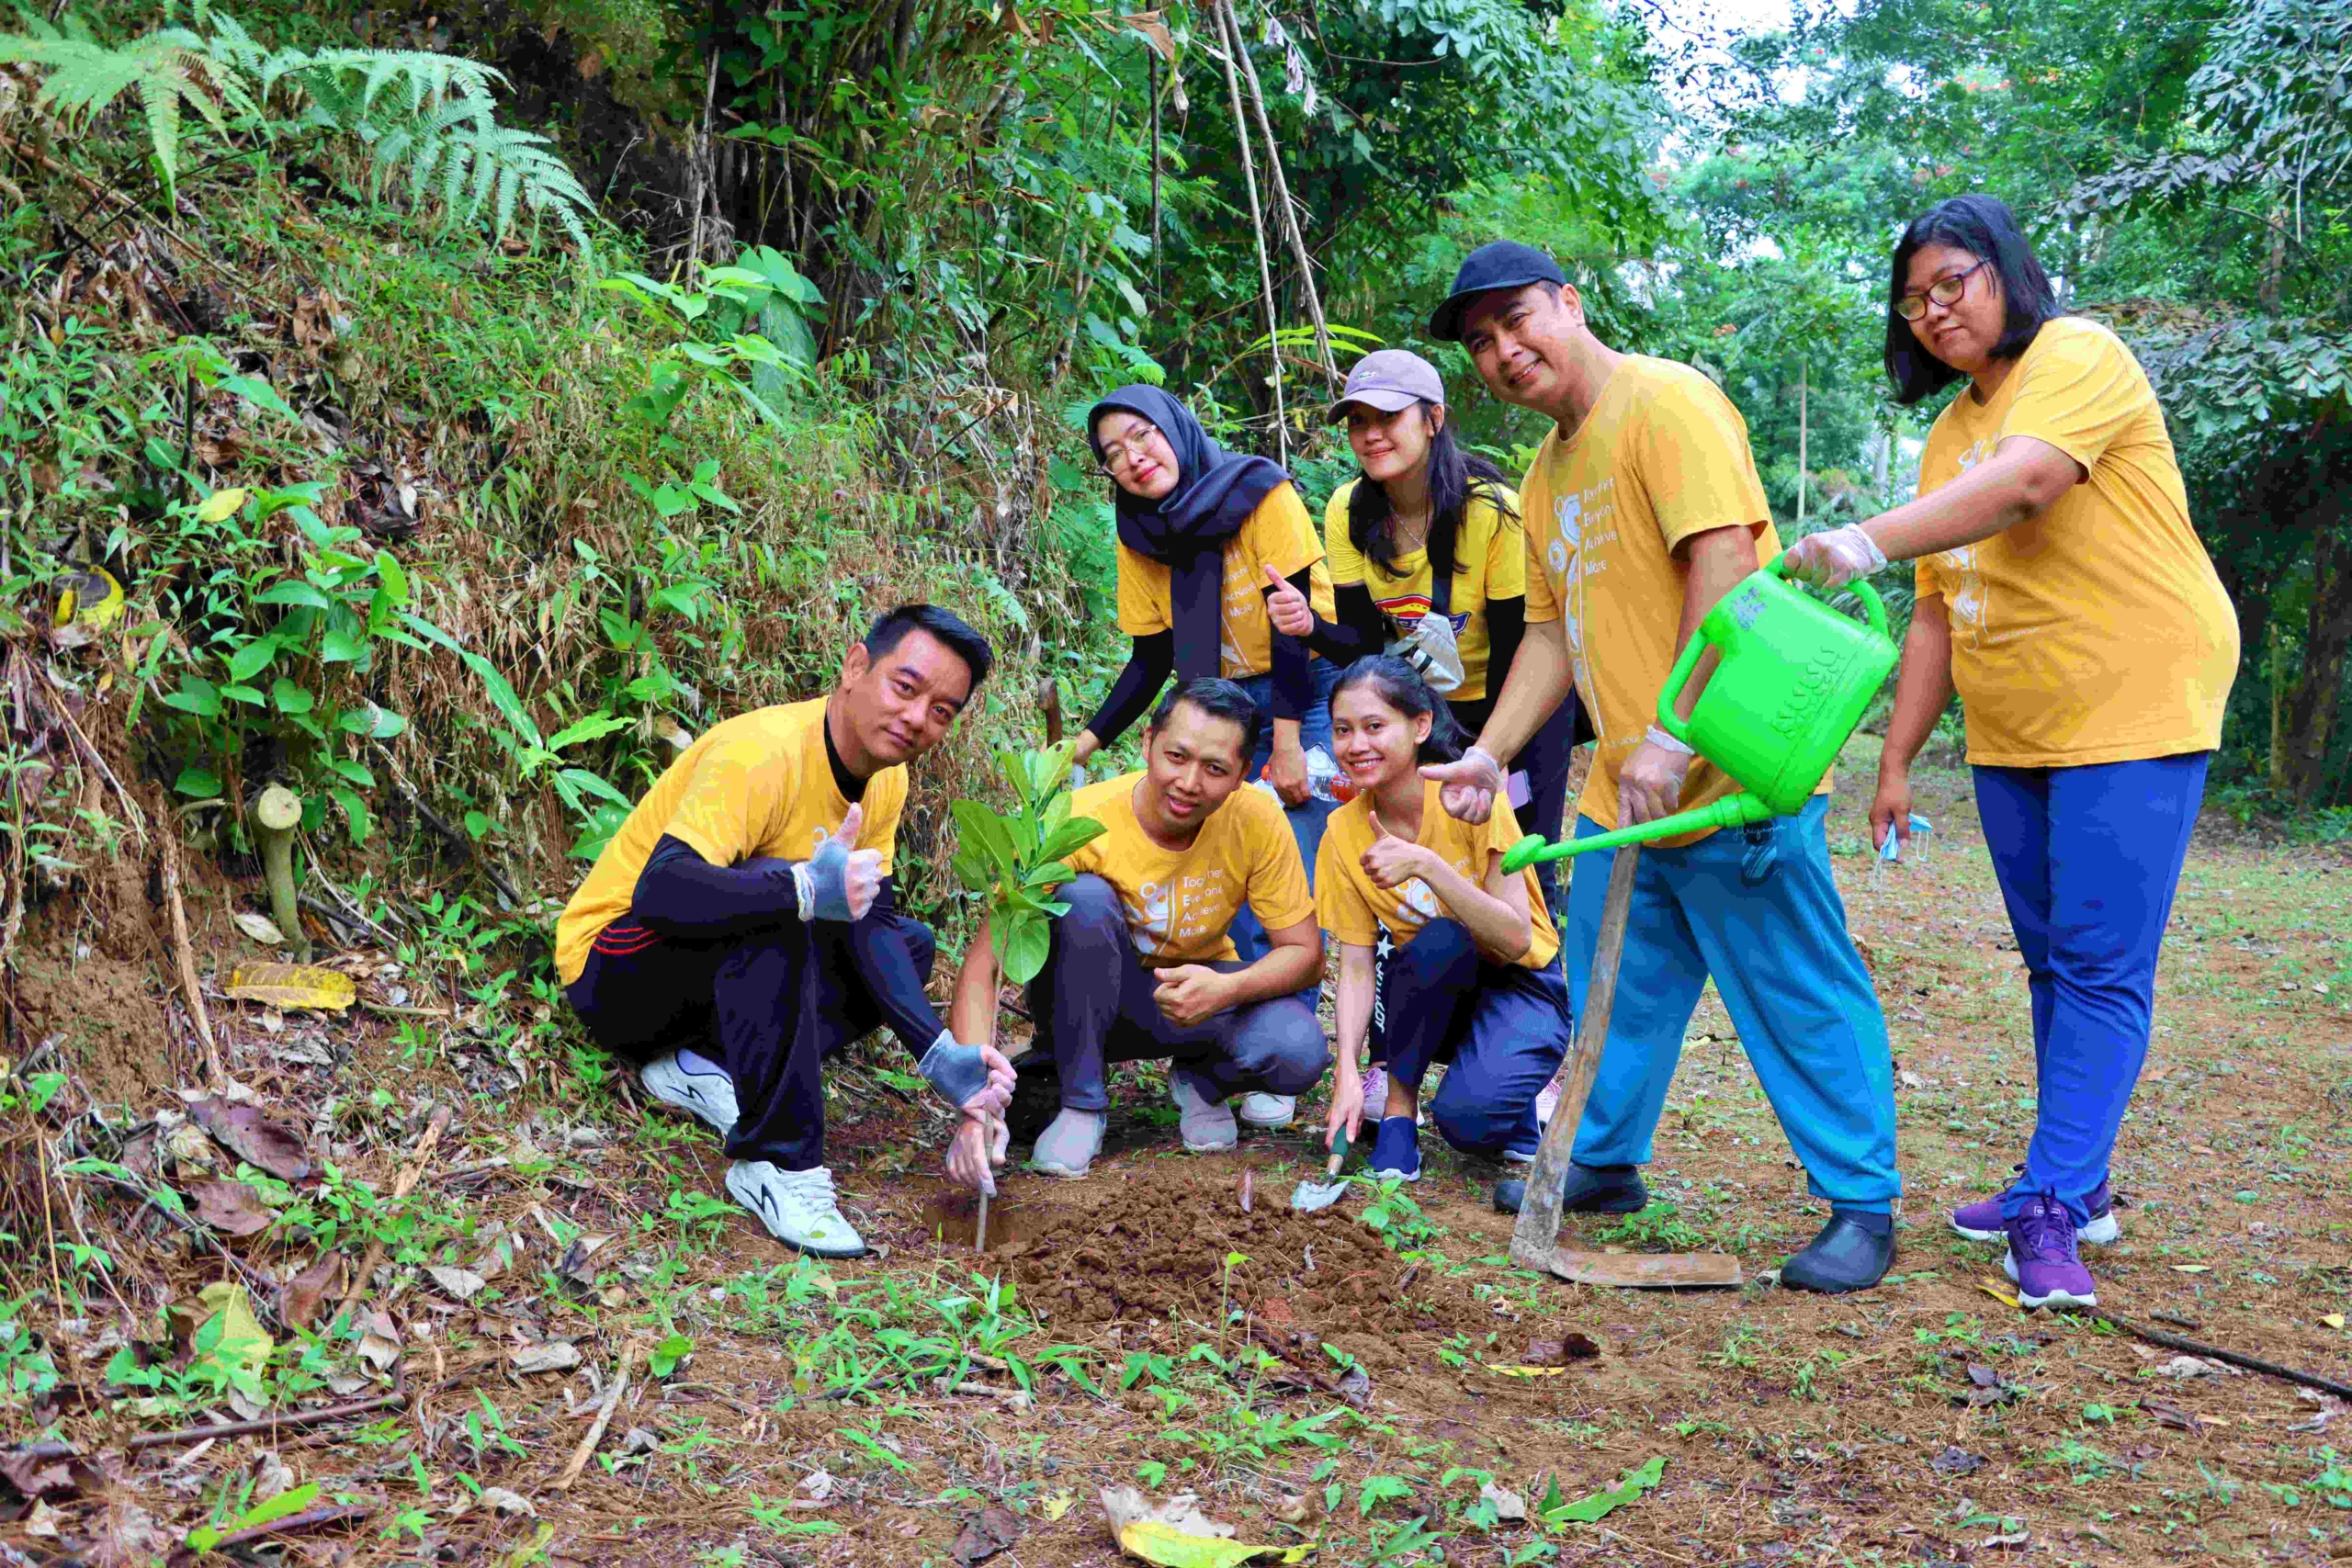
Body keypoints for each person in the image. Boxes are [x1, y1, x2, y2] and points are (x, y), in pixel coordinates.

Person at [1781, 196, 2239, 1311]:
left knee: (2098, 965)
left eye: (1954, 281)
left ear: (2007, 273)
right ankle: (2075, 1178)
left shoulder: (2077, 355)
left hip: (2132, 700)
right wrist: (1896, 760)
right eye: (1913, 299)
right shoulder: (1948, 434)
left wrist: (1862, 540)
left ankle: (2054, 1202)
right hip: (2013, 724)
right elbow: (1935, 613)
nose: (1935, 309)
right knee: (2050, 961)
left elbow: (2029, 482)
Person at [1419, 240, 1903, 1293]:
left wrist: (1675, 736)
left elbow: (1722, 563)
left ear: (1569, 303)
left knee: (1795, 989)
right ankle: (1599, 1159)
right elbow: (1549, 635)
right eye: (1482, 342)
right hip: (1622, 794)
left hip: (1727, 776)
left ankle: (1862, 1201)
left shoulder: (1665, 402)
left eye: (1516, 320)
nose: (1504, 351)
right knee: (1616, 988)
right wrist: (1486, 754)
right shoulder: (1544, 476)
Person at [555, 605, 1015, 1258]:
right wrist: (799, 889)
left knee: (908, 944)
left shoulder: (887, 778)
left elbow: (874, 923)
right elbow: (660, 891)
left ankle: (704, 1064)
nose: (917, 718)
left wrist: (939, 1053)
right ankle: (777, 1162)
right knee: (781, 901)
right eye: (905, 687)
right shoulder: (763, 752)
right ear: (856, 666)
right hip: (615, 974)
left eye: (941, 711)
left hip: (706, 979)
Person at [1269, 348, 1589, 1114]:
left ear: (1433, 419)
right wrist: (1308, 627)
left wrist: (1493, 757)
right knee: (1398, 868)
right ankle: (1396, 1052)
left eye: (1388, 417)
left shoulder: (1490, 511)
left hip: (1515, 705)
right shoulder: (1349, 510)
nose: (1372, 435)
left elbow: (1519, 646)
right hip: (1425, 711)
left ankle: (1540, 1042)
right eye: (1358, 422)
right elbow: (1361, 642)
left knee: (1522, 859)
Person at [1070, 385, 1340, 1126]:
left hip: (1298, 690)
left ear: (1175, 428)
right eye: (1113, 453)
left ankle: (1265, 1055)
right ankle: (1211, 1042)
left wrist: (1289, 742)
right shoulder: (1140, 532)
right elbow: (1151, 655)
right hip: (1212, 704)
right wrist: (1088, 739)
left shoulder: (1259, 491)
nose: (1133, 458)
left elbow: (1293, 626)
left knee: (1288, 863)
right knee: (1225, 861)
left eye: (1142, 435)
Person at [962, 679, 1329, 1179]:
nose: (1189, 782)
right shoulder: (1081, 817)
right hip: (1085, 1000)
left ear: (1243, 774)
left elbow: (1306, 955)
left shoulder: (1257, 818)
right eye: (1177, 756)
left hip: (1196, 998)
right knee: (1083, 898)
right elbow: (984, 963)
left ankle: (1201, 1082)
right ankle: (1082, 1104)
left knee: (1299, 1047)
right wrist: (973, 1100)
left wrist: (1227, 988)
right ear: (1148, 741)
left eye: (1215, 769)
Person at [1316, 657, 1569, 1190]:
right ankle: (1400, 1114)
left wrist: (1427, 865)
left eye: (1374, 726)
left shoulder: (1473, 799)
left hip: (1521, 982)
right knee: (1436, 943)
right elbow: (1356, 966)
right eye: (1343, 730)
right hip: (1434, 987)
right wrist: (1346, 1075)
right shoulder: (1341, 832)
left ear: (1421, 725)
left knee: (1470, 1124)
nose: (1356, 744)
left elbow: (1515, 938)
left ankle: (1514, 1091)